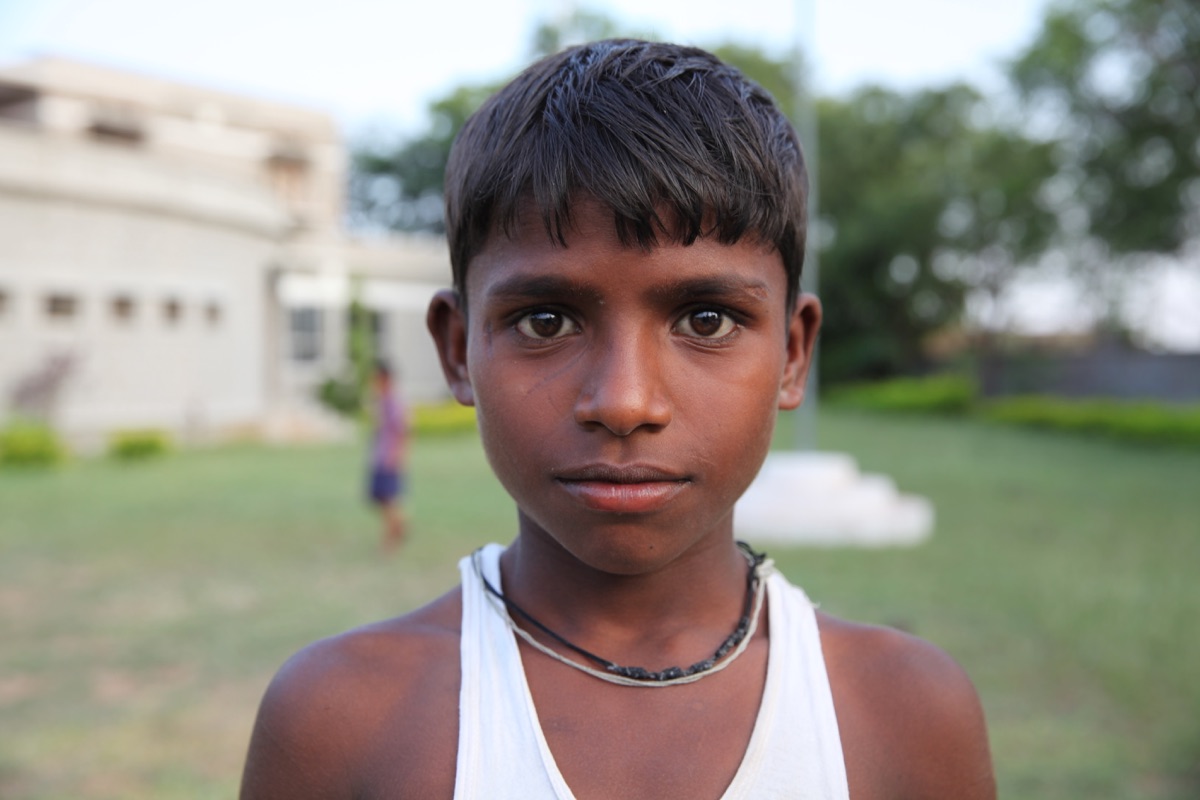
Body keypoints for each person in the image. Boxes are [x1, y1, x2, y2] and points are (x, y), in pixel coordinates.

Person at [241, 39, 995, 799]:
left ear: (793, 354)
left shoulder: (904, 718)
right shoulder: (340, 723)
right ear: (458, 350)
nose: (625, 402)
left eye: (706, 319)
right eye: (545, 321)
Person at [367, 360, 407, 552]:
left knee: (389, 501)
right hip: (379, 457)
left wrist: (396, 456)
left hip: (388, 459)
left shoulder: (393, 402)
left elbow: (403, 431)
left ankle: (391, 538)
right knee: (381, 500)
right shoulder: (382, 401)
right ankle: (399, 525)